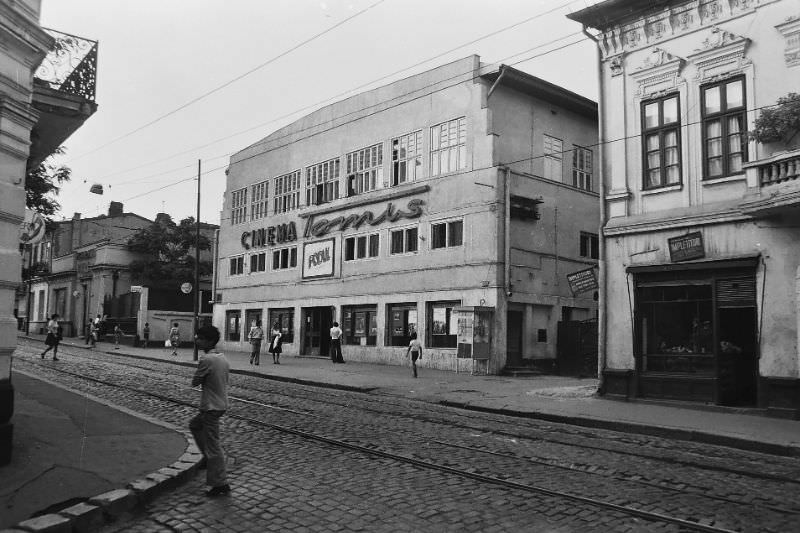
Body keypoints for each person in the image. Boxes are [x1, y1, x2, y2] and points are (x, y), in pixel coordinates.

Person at [189, 325, 231, 497]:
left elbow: (195, 381)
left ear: (209, 341)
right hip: (220, 403)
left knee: (214, 445)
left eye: (200, 337)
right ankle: (207, 458)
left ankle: (220, 483)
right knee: (195, 425)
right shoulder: (222, 358)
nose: (196, 340)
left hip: (211, 407)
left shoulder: (207, 360)